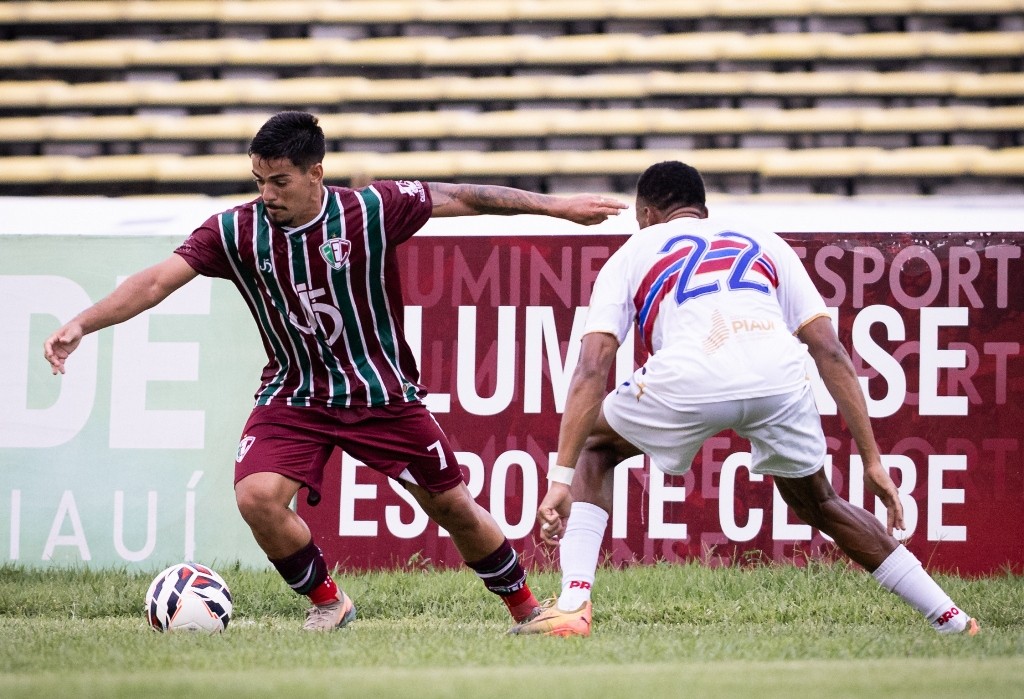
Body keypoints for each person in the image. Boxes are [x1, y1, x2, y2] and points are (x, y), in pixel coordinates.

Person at [42, 111, 627, 631]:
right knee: (257, 498)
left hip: (383, 394)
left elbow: (463, 196)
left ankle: (527, 610)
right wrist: (83, 324)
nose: (266, 193)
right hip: (293, 396)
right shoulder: (235, 231)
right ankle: (329, 601)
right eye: (258, 181)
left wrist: (556, 206)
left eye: (280, 181)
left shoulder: (371, 210)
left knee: (452, 507)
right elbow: (154, 282)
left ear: (315, 173)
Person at [509, 160, 979, 638]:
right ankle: (951, 619)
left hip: (692, 372)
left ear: (646, 214)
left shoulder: (633, 250)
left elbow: (593, 367)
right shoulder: (763, 239)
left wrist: (561, 479)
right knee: (821, 501)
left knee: (595, 446)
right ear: (704, 211)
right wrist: (872, 460)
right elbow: (829, 349)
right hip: (777, 374)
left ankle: (572, 604)